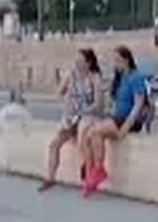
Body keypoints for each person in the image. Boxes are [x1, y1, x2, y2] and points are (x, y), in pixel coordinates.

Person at [80, 46, 148, 196]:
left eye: (117, 60)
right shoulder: (120, 78)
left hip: (128, 120)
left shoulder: (136, 77)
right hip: (117, 118)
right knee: (90, 132)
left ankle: (98, 170)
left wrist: (126, 125)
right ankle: (95, 168)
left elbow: (138, 104)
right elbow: (114, 102)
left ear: (126, 60)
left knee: (95, 132)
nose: (115, 64)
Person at [40, 48, 105, 192]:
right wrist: (66, 93)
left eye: (80, 61)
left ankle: (89, 176)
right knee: (54, 144)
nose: (77, 63)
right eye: (76, 61)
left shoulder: (95, 78)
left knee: (83, 137)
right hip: (71, 116)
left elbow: (99, 104)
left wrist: (84, 110)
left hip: (89, 114)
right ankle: (50, 178)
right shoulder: (71, 76)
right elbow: (59, 93)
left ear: (88, 63)